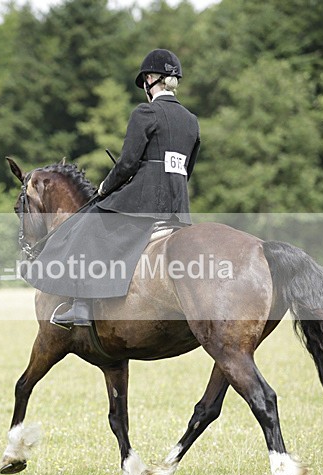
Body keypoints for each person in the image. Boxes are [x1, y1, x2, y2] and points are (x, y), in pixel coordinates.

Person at [34, 48, 201, 327]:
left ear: (150, 79)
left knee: (88, 224)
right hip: (178, 208)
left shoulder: (146, 112)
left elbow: (127, 164)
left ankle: (81, 306)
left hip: (143, 202)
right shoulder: (191, 121)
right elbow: (186, 169)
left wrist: (105, 187)